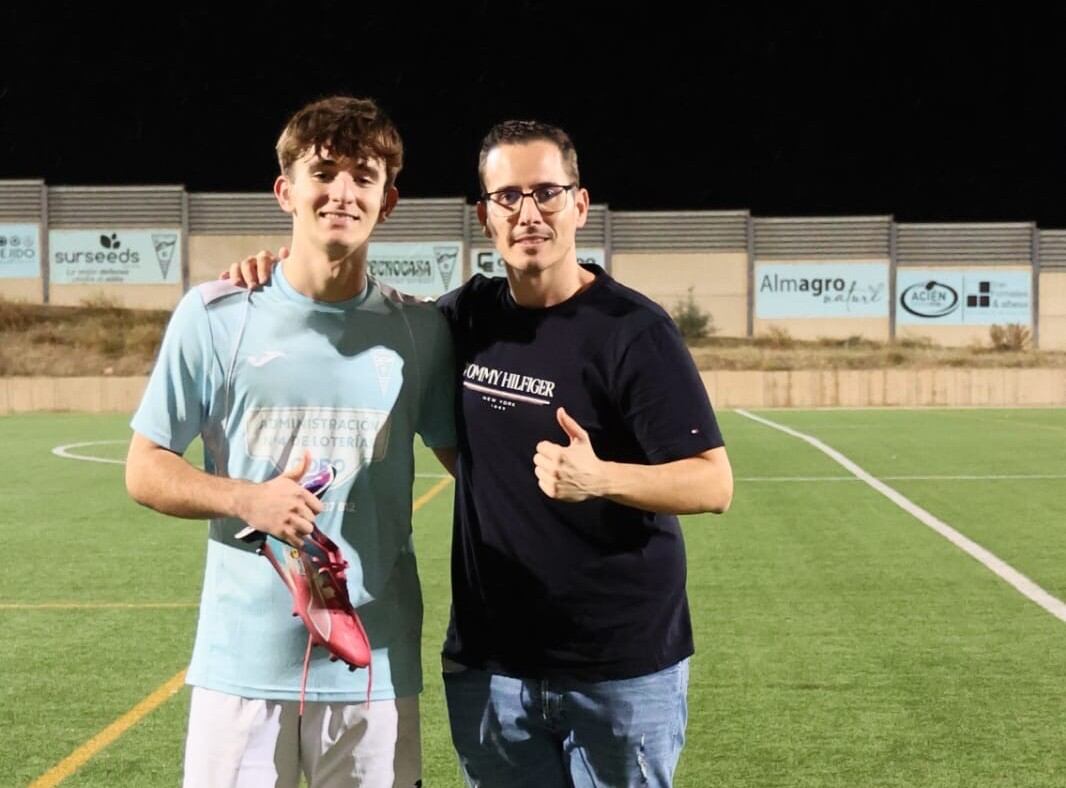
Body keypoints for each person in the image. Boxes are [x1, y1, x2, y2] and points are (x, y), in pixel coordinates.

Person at [229, 118, 733, 788]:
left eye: (548, 193)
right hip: (491, 666)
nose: (529, 213)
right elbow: (358, 316)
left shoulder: (633, 332)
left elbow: (712, 484)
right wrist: (273, 277)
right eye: (508, 197)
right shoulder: (465, 318)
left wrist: (600, 477)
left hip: (619, 668)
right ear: (484, 215)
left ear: (580, 206)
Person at [126, 95, 456, 788]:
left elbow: (476, 468)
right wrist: (246, 498)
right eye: (324, 172)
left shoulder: (419, 333)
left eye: (364, 177)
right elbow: (146, 468)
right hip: (242, 667)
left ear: (388, 202)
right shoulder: (215, 317)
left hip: (373, 663)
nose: (342, 192)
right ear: (287, 191)